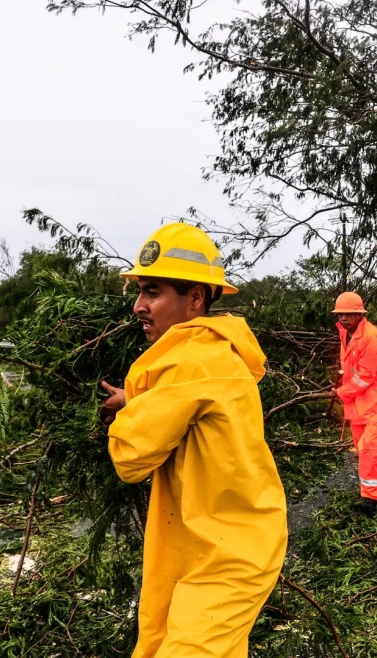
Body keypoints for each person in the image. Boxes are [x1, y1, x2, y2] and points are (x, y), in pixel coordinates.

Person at [99, 223, 287, 658]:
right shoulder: (213, 353)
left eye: (152, 292)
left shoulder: (191, 362)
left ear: (196, 298)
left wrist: (131, 409)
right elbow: (189, 401)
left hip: (228, 557)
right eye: (140, 292)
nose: (138, 306)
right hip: (212, 542)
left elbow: (130, 458)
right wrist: (143, 398)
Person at [333, 291, 377, 517]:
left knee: (369, 449)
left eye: (349, 314)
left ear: (360, 315)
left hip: (375, 402)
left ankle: (369, 499)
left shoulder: (370, 338)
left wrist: (341, 392)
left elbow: (365, 376)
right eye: (341, 314)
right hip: (358, 402)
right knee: (364, 449)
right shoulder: (346, 334)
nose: (344, 318)